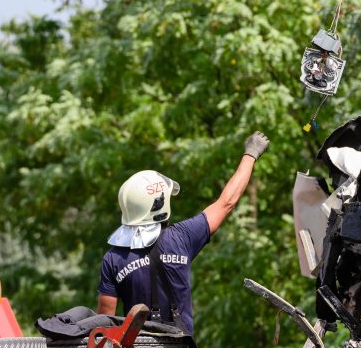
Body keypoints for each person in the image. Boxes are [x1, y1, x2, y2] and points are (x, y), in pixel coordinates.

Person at [96, 132, 270, 336]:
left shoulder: (113, 259)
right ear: (161, 205)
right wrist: (250, 154)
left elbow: (106, 328)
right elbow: (227, 202)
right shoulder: (182, 237)